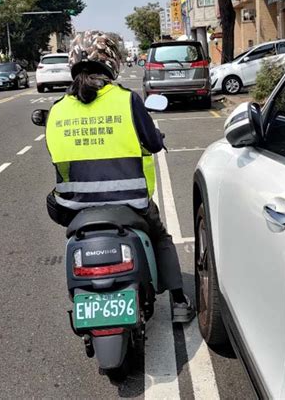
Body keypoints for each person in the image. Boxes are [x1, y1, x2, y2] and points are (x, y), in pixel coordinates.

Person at [44, 30, 195, 323]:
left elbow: (53, 153)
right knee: (160, 236)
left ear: (73, 61)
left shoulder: (58, 109)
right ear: (112, 60)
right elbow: (152, 143)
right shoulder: (127, 100)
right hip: (130, 204)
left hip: (74, 208)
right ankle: (178, 301)